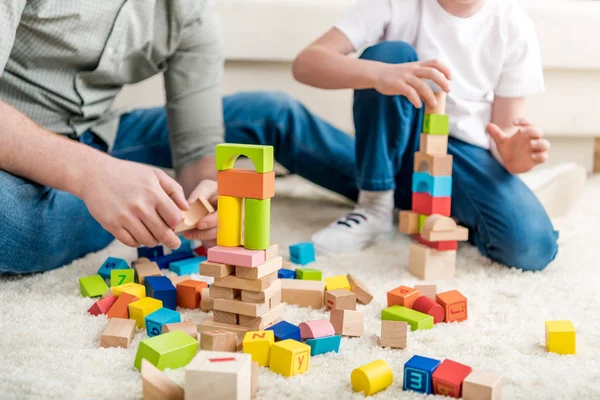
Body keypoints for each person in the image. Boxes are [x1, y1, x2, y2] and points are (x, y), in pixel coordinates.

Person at [289, 0, 563, 269]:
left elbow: (503, 134)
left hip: (461, 153)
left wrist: (515, 161)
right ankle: (375, 205)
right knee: (390, 54)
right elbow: (306, 64)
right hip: (397, 139)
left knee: (532, 246)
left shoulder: (512, 24)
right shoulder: (395, 5)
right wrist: (378, 73)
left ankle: (434, 205)